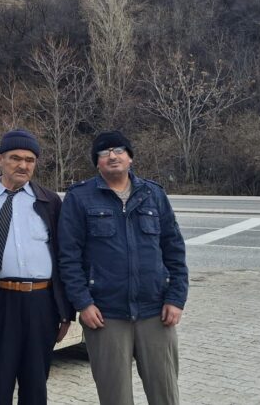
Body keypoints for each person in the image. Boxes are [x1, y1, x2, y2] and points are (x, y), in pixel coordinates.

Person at [58, 131, 189, 405]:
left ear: (130, 157)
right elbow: (68, 257)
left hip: (156, 313)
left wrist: (176, 298)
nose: (112, 156)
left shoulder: (154, 195)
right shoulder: (80, 198)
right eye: (104, 153)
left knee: (165, 394)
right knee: (114, 397)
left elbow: (174, 249)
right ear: (97, 163)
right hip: (106, 316)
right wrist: (83, 303)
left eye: (119, 150)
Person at [0, 129, 72, 405]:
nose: (23, 165)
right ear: (0, 159)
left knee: (35, 385)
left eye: (30, 159)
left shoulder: (49, 202)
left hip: (41, 303)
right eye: (15, 158)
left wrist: (65, 311)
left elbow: (65, 257)